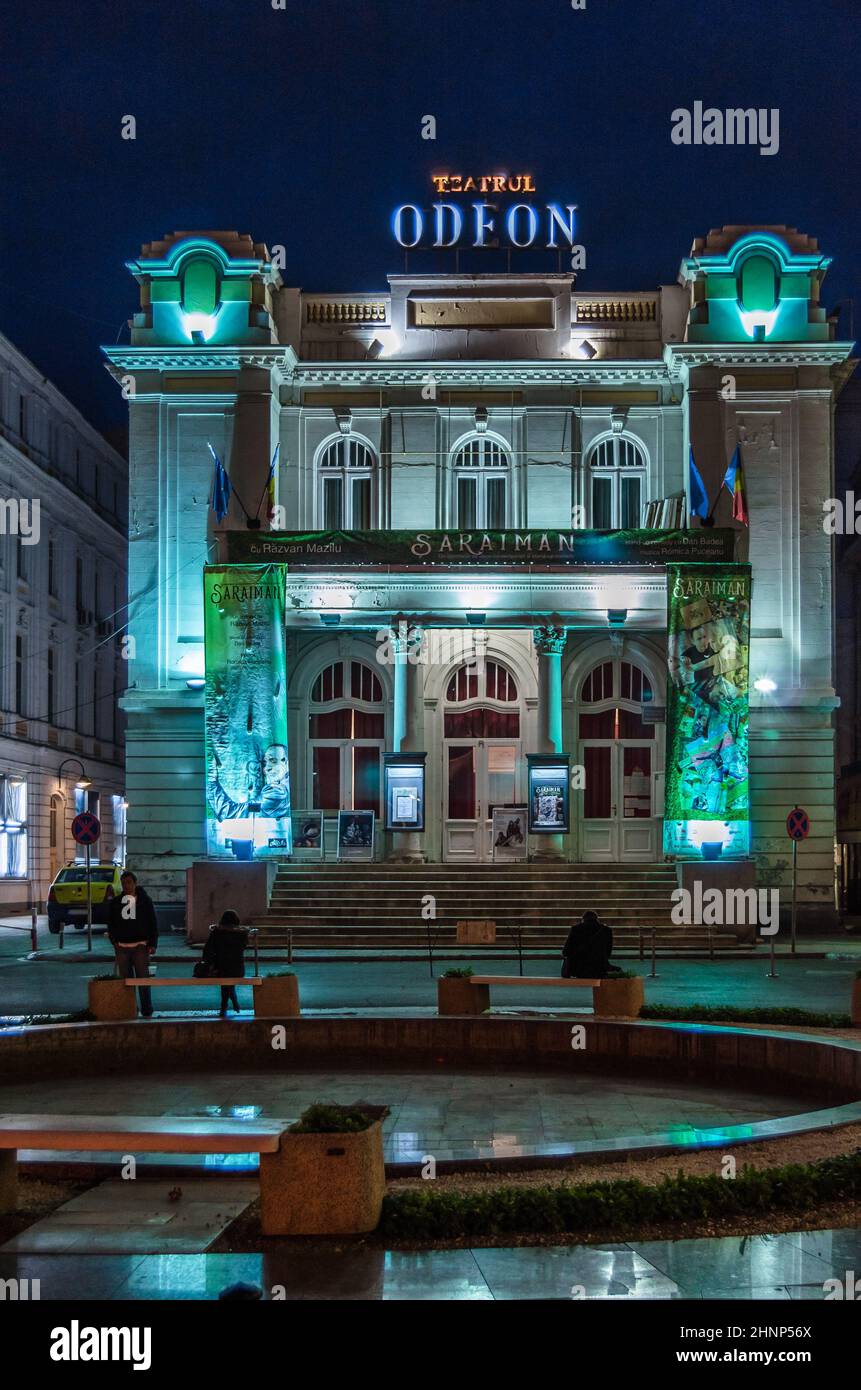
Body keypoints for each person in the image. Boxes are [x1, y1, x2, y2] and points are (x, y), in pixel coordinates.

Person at [106, 870, 159, 1018]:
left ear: (135, 884)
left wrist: (152, 943)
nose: (126, 886)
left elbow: (152, 922)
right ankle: (130, 1009)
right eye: (123, 883)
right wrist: (115, 942)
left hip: (140, 946)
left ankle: (147, 1009)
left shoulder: (144, 901)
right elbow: (111, 923)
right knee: (126, 982)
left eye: (129, 882)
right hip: (122, 947)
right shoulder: (116, 902)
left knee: (143, 980)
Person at [202, 909, 249, 1017]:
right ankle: (233, 999)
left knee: (225, 979)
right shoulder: (242, 934)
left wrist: (209, 963)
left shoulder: (217, 932)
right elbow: (243, 947)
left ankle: (224, 1006)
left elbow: (208, 950)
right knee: (229, 980)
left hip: (221, 967)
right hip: (238, 968)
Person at [561, 910, 619, 979]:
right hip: (599, 969)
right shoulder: (606, 930)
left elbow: (565, 952)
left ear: (583, 919)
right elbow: (608, 953)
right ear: (597, 919)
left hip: (579, 970)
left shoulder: (576, 929)